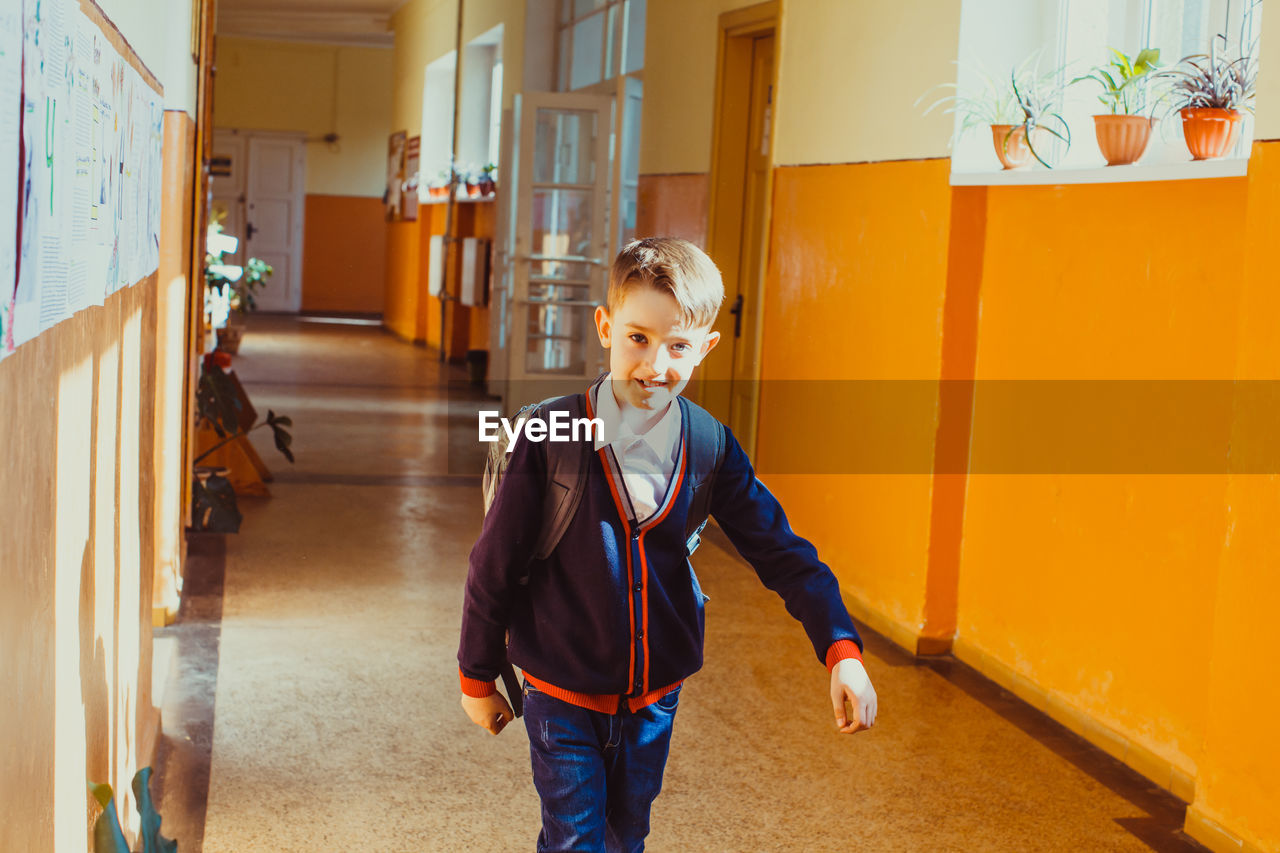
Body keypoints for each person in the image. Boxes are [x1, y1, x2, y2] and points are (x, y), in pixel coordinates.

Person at [458, 237, 877, 852]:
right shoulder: (550, 436)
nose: (656, 365)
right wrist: (476, 677)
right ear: (605, 327)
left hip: (654, 702)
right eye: (638, 338)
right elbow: (492, 565)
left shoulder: (710, 444)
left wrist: (842, 650)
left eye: (678, 346)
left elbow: (782, 552)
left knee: (626, 836)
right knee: (575, 840)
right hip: (561, 693)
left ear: (705, 347)